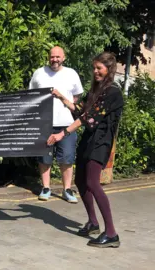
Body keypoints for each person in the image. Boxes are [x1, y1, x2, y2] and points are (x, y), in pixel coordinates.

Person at [48, 52, 123, 248]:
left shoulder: (112, 92)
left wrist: (62, 134)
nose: (95, 71)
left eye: (99, 68)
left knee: (92, 182)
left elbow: (87, 118)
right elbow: (80, 108)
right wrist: (61, 97)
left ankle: (112, 233)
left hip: (101, 142)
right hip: (90, 139)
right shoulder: (96, 90)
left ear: (109, 70)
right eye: (94, 68)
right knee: (81, 181)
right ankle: (93, 223)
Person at [29, 46, 84, 203]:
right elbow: (31, 94)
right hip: (44, 123)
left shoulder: (71, 74)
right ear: (48, 57)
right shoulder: (39, 73)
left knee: (67, 158)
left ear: (64, 58)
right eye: (52, 56)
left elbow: (78, 95)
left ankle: (67, 189)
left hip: (66, 124)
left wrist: (65, 104)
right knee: (44, 158)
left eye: (58, 57)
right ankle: (46, 188)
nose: (55, 59)